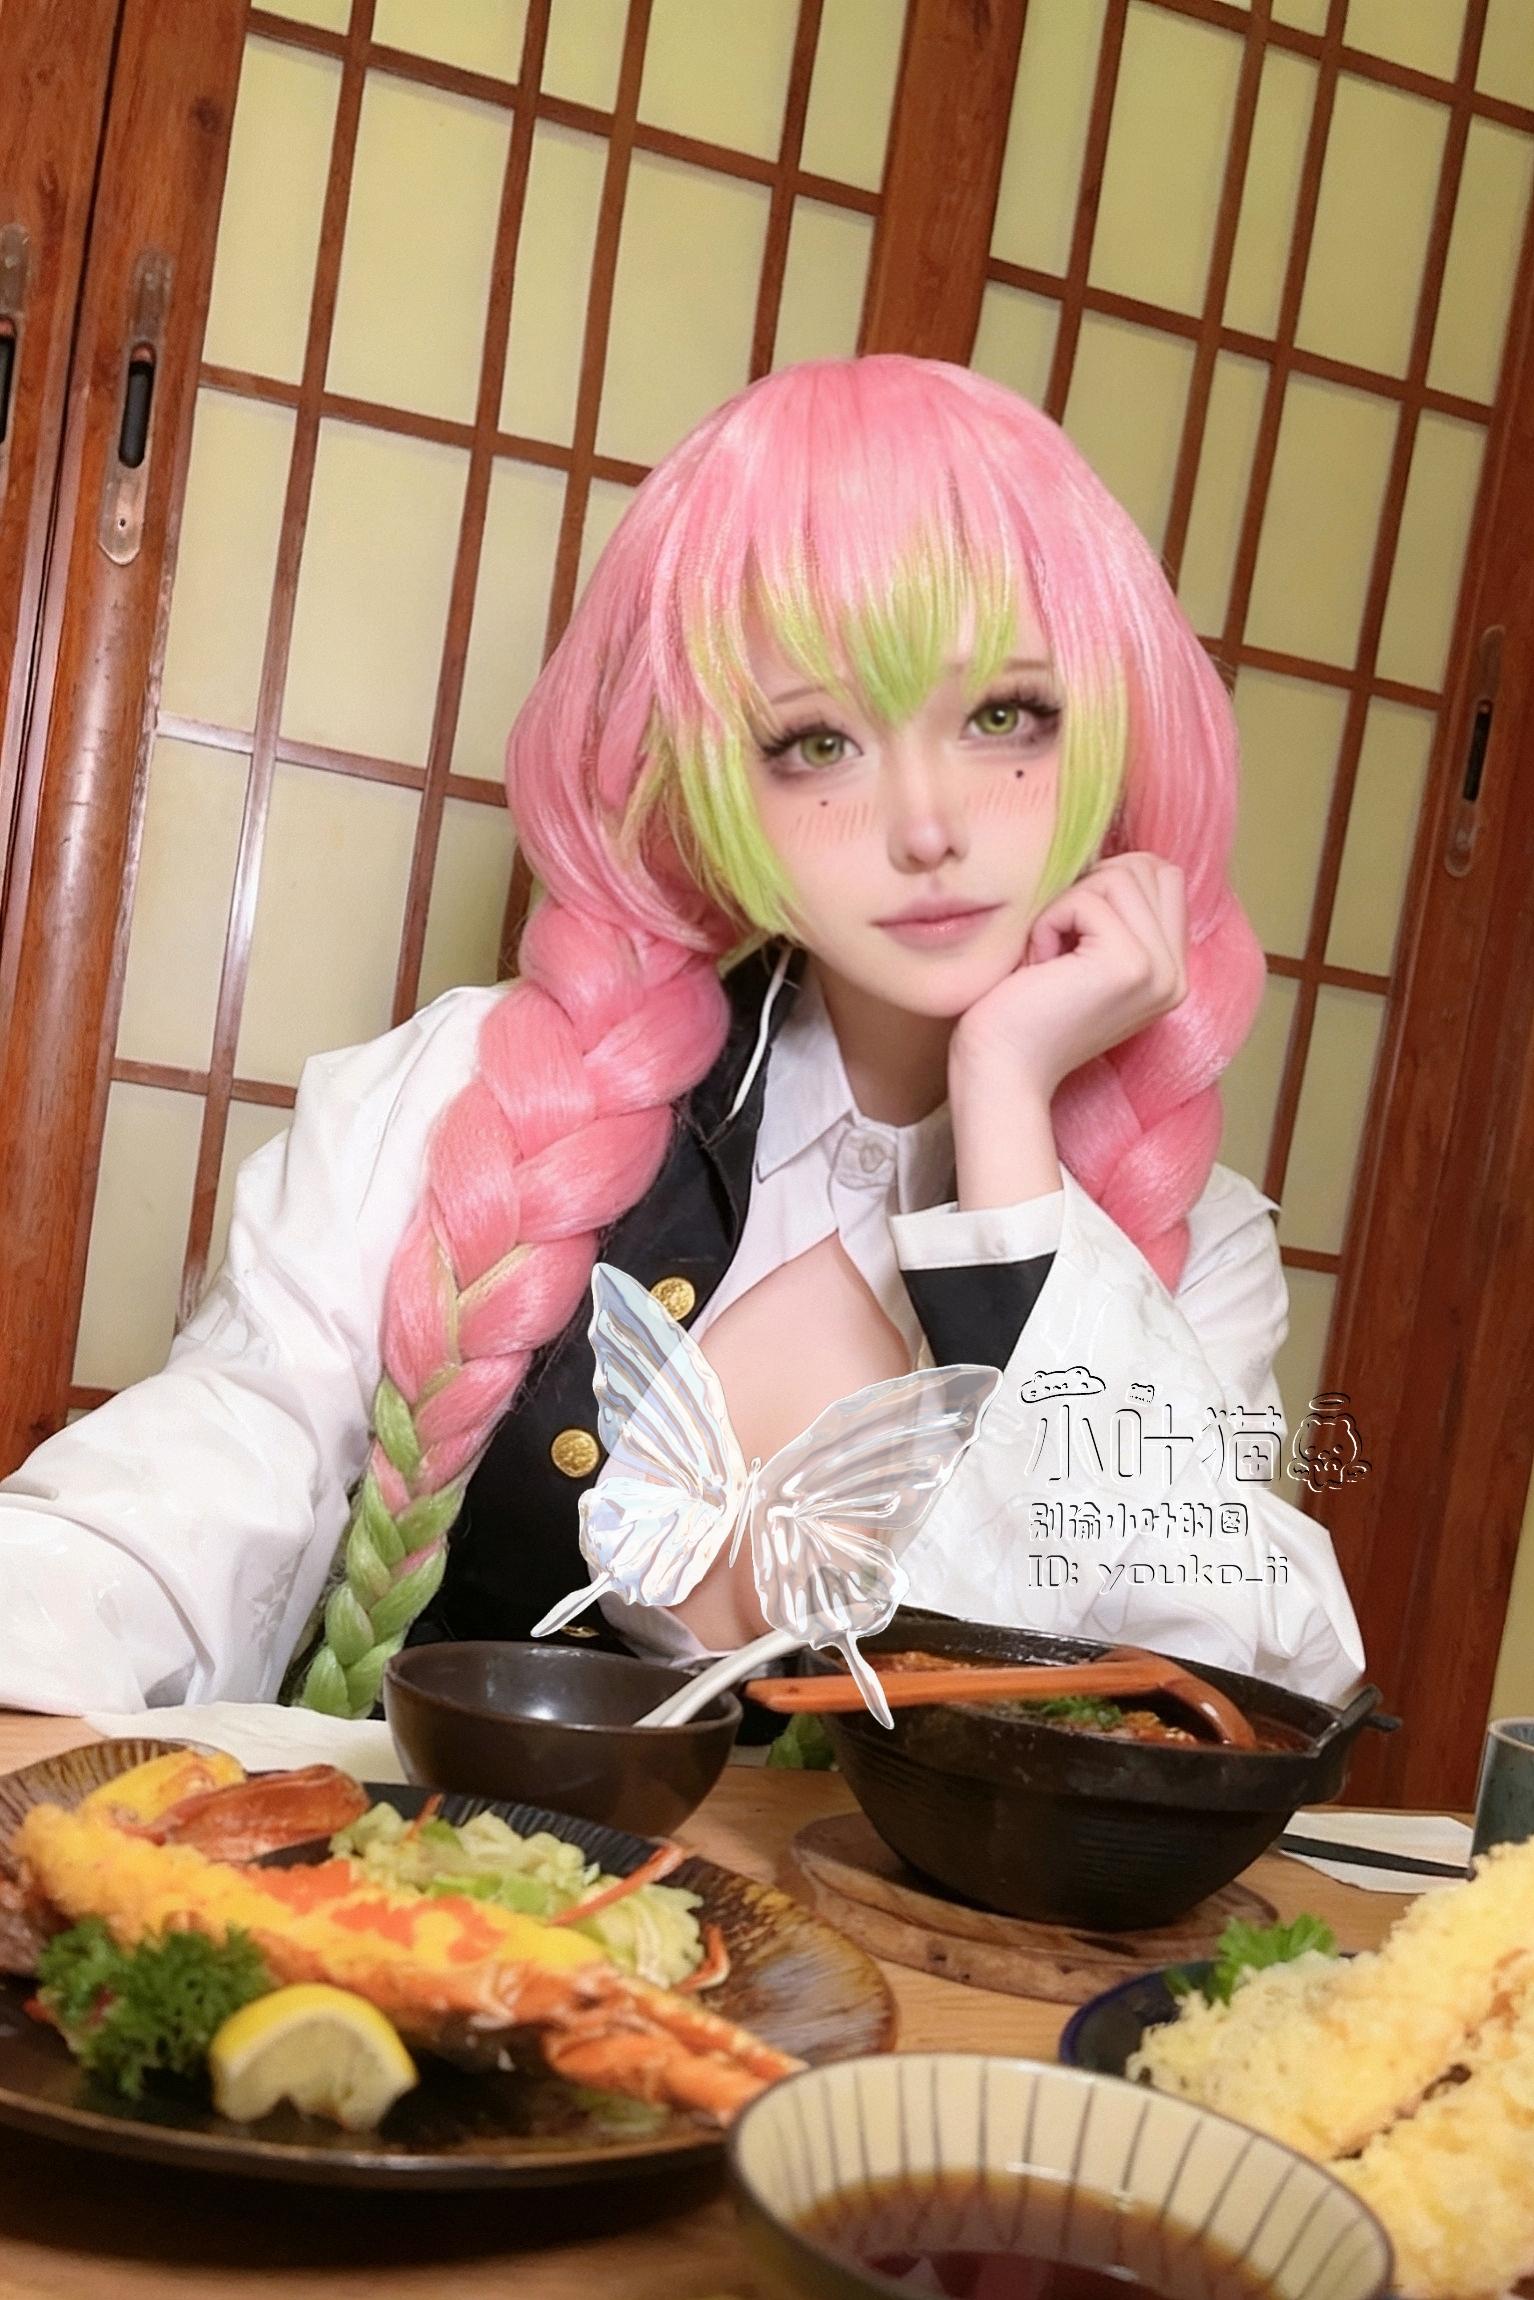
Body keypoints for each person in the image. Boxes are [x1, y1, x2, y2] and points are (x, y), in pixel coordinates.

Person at [0, 356, 1364, 1722]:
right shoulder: (472, 1099)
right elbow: (194, 1486)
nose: (926, 825)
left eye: (1003, 716)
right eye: (815, 743)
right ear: (713, 782)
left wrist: (1005, 1113)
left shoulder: (1194, 1246)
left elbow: (1210, 1695)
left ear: (1113, 731)